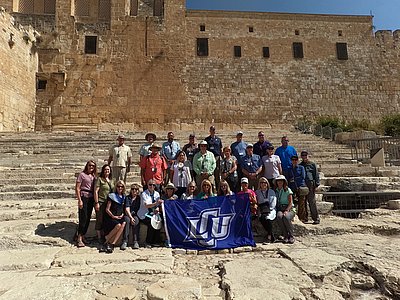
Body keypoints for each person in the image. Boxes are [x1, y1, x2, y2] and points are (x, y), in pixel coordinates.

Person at [101, 180, 127, 253]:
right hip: (111, 216)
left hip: (119, 216)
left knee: (123, 223)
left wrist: (122, 214)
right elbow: (107, 209)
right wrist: (113, 216)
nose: (120, 188)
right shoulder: (112, 196)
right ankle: (107, 239)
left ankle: (112, 243)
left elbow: (123, 208)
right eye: (118, 186)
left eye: (122, 186)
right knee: (118, 225)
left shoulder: (124, 197)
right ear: (116, 187)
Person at [75, 160, 97, 248]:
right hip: (84, 196)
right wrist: (79, 200)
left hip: (91, 197)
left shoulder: (94, 176)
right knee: (83, 217)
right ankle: (79, 237)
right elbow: (77, 188)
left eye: (93, 166)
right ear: (87, 166)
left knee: (88, 217)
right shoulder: (82, 175)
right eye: (90, 165)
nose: (91, 167)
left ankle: (83, 236)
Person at [138, 179, 163, 248]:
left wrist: (157, 208)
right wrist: (155, 203)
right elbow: (146, 205)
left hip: (153, 213)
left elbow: (158, 205)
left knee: (159, 220)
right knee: (151, 222)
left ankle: (156, 240)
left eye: (153, 185)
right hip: (144, 213)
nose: (151, 186)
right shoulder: (144, 194)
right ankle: (148, 241)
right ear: (147, 185)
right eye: (150, 185)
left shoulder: (157, 194)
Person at [94, 164, 114, 244]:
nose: (107, 171)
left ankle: (106, 235)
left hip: (109, 203)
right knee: (99, 219)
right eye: (105, 169)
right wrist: (96, 202)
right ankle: (99, 237)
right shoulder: (100, 179)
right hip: (101, 201)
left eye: (108, 170)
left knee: (107, 219)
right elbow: (96, 191)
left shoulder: (112, 180)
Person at [300, 150, 321, 224]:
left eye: (305, 155)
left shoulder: (312, 164)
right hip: (303, 184)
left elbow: (316, 174)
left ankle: (316, 218)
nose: (304, 157)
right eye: (303, 155)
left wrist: (317, 184)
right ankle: (305, 218)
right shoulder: (300, 165)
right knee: (303, 202)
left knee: (312, 202)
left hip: (310, 184)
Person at [274, 175, 295, 244]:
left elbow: (291, 202)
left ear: (284, 182)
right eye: (278, 181)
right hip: (280, 208)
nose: (280, 182)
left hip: (289, 208)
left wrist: (287, 210)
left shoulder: (287, 190)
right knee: (279, 217)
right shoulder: (276, 191)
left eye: (281, 181)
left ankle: (291, 235)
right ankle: (285, 235)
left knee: (286, 217)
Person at [287, 155, 308, 223]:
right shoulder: (289, 169)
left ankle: (302, 218)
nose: (294, 161)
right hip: (292, 188)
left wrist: (295, 179)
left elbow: (303, 176)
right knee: (292, 203)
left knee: (301, 203)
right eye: (293, 160)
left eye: (295, 160)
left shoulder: (301, 168)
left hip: (300, 186)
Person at [255, 177, 277, 243]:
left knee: (268, 218)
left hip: (270, 209)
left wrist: (269, 210)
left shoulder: (271, 191)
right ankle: (271, 234)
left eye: (264, 182)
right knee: (261, 218)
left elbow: (274, 202)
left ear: (267, 184)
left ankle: (269, 236)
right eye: (261, 183)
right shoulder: (257, 192)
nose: (263, 184)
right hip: (262, 209)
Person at [121, 183, 142, 250]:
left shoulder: (139, 198)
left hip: (135, 214)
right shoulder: (128, 197)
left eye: (136, 189)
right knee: (127, 221)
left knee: (137, 221)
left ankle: (136, 241)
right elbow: (127, 209)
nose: (134, 190)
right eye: (133, 189)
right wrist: (131, 217)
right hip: (128, 214)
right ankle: (125, 241)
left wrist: (133, 218)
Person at [205, 126, 223, 191]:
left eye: (214, 129)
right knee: (210, 174)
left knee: (217, 174)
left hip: (217, 157)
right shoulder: (207, 139)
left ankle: (218, 190)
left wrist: (222, 157)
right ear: (210, 131)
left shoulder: (218, 139)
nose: (213, 131)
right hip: (209, 158)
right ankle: (211, 189)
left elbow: (221, 149)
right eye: (212, 129)